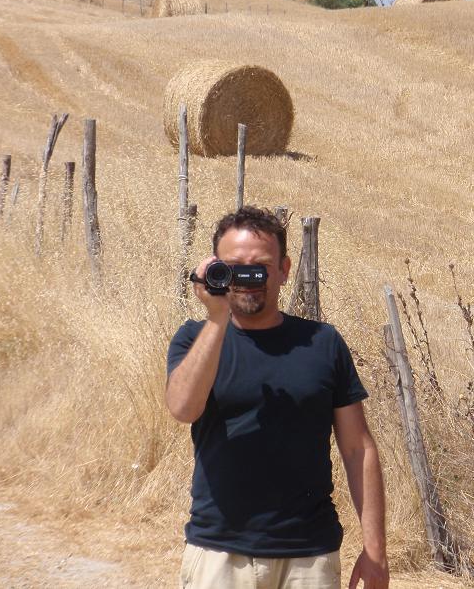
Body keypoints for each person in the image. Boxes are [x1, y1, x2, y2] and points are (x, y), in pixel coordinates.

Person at [166, 206, 389, 589]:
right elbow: (184, 408)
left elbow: (358, 449)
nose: (248, 278)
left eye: (260, 266)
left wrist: (376, 552)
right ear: (215, 271)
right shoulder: (194, 338)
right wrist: (217, 316)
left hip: (309, 557)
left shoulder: (324, 343)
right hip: (220, 554)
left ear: (284, 270)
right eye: (234, 267)